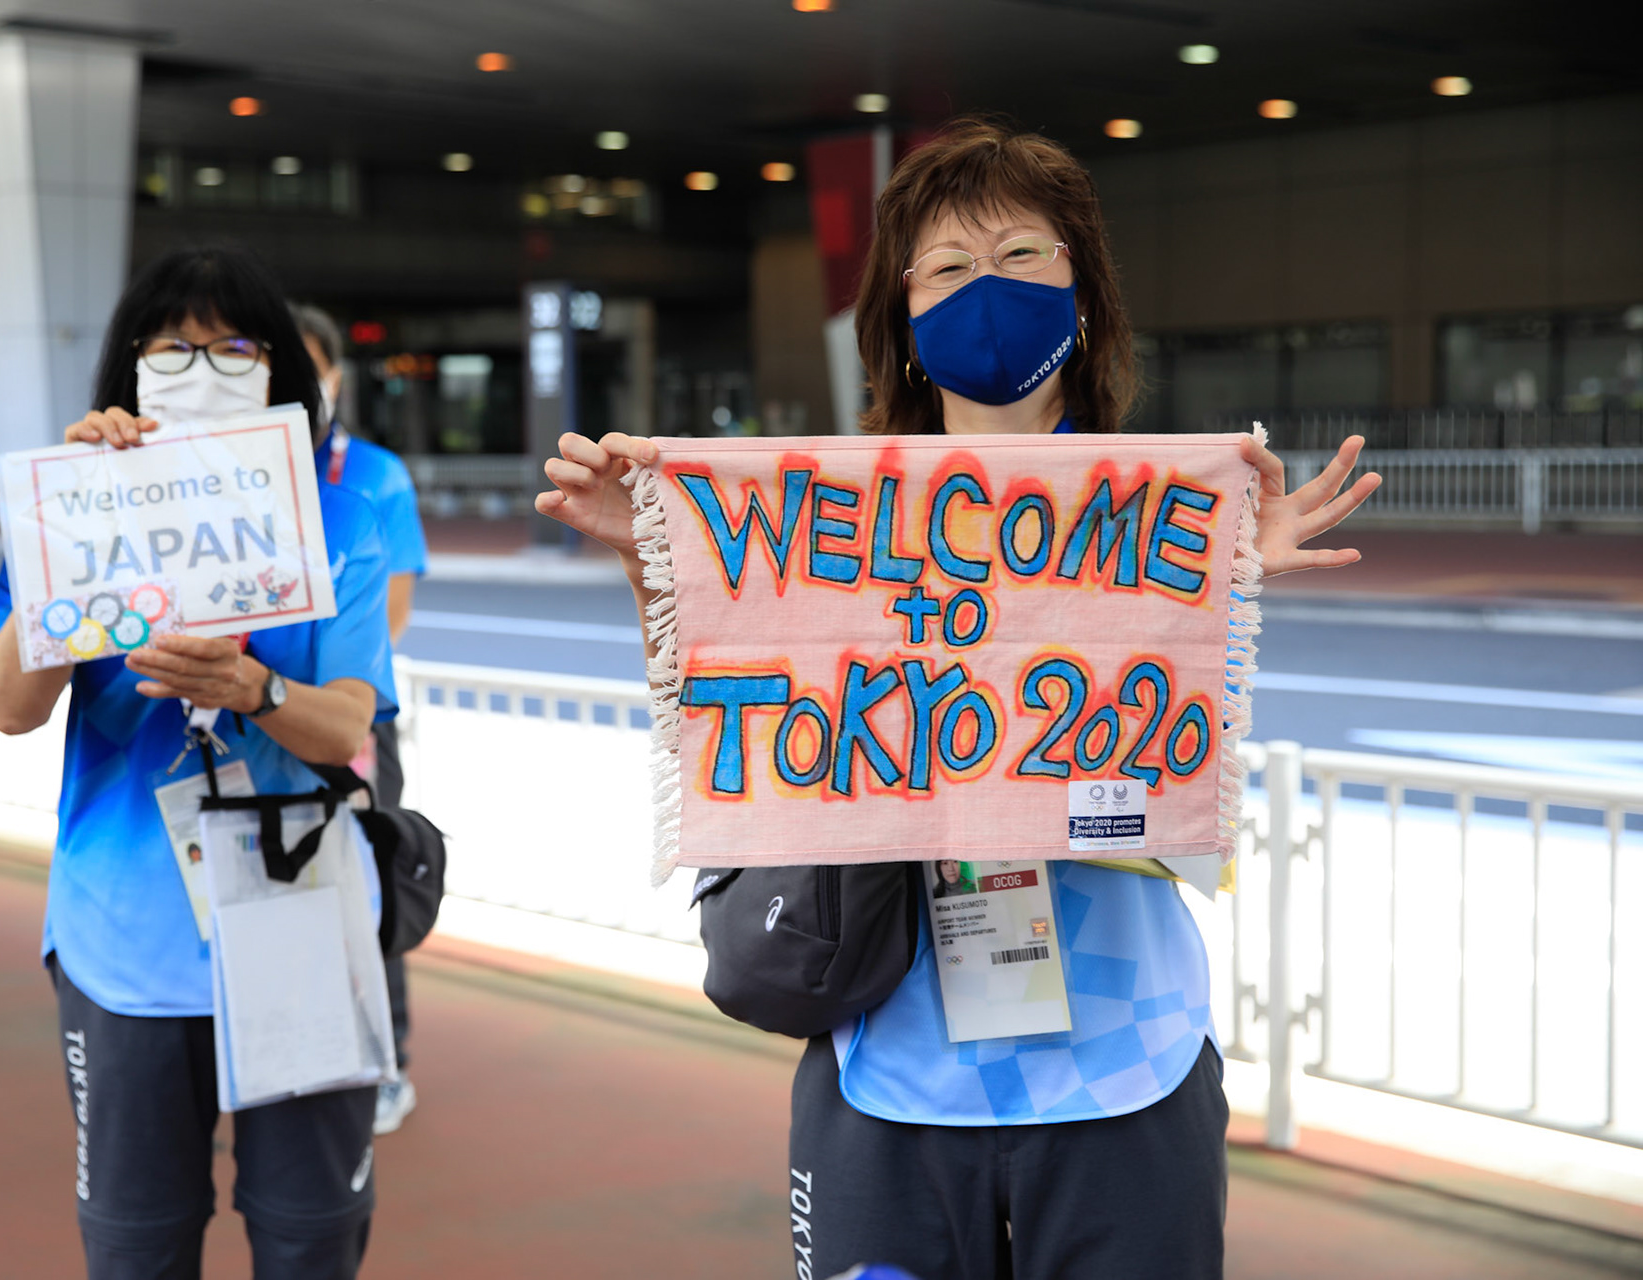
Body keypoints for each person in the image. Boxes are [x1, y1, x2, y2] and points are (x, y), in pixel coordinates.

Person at [535, 117, 1382, 1279]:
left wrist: (1224, 569)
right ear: (907, 318)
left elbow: (1176, 769)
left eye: (1024, 255)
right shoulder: (827, 519)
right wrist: (653, 562)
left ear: (1083, 294)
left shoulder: (1156, 520)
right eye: (947, 265)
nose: (988, 285)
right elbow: (739, 706)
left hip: (1123, 1066)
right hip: (893, 1064)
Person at [0, 245, 401, 1280]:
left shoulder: (338, 519)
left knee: (309, 1240)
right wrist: (71, 537)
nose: (201, 368)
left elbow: (350, 725)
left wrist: (253, 691)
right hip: (124, 943)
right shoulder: (72, 506)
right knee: (138, 1244)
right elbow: (6, 707)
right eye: (173, 348)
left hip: (300, 921)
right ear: (130, 369)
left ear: (279, 374)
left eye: (232, 348)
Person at [292, 302, 430, 1136]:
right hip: (251, 726)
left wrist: (319, 694)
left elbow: (395, 611)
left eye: (313, 368)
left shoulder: (373, 477)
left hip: (352, 718)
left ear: (337, 377)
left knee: (369, 885)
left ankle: (389, 1061)